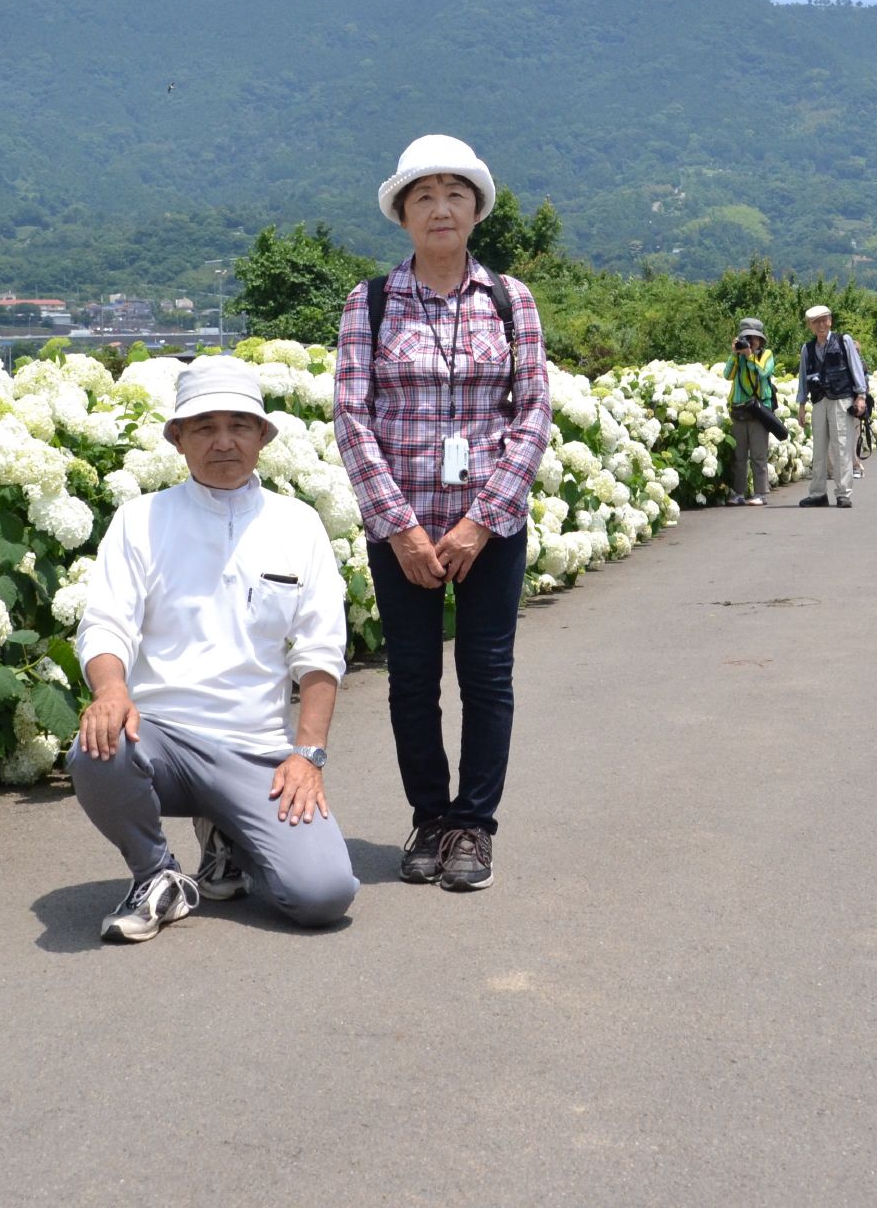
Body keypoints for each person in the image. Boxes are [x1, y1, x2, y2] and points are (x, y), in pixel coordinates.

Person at [68, 357, 356, 943]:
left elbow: (321, 649)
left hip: (257, 753)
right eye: (204, 427)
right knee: (97, 747)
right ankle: (156, 875)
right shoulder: (140, 520)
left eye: (239, 426)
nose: (223, 442)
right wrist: (111, 691)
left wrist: (308, 755)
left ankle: (228, 836)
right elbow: (105, 623)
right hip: (161, 740)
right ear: (178, 438)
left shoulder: (297, 524)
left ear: (262, 437)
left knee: (323, 895)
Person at [336, 134, 549, 894]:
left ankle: (474, 825)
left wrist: (479, 521)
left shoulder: (510, 300)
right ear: (402, 213)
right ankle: (430, 817)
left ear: (477, 209)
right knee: (412, 678)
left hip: (490, 528)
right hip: (402, 530)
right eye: (423, 196)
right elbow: (352, 418)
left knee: (487, 675)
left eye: (455, 193)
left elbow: (533, 414)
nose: (440, 208)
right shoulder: (370, 302)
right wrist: (400, 528)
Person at [794, 304, 868, 507]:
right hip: (819, 400)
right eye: (816, 322)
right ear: (810, 325)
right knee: (818, 449)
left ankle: (843, 493)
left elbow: (856, 368)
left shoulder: (844, 341)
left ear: (830, 321)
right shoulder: (807, 348)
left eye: (824, 320)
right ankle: (818, 493)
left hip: (841, 399)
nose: (821, 325)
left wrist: (861, 396)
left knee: (841, 446)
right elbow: (803, 377)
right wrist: (801, 404)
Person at [723, 317, 778, 505]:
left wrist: (750, 356)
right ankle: (738, 493)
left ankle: (760, 493)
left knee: (758, 455)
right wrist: (735, 354)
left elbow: (763, 373)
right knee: (739, 456)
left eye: (753, 338)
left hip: (759, 412)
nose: (750, 342)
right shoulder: (738, 356)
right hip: (739, 410)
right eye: (746, 338)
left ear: (760, 340)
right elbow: (727, 375)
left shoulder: (766, 355)